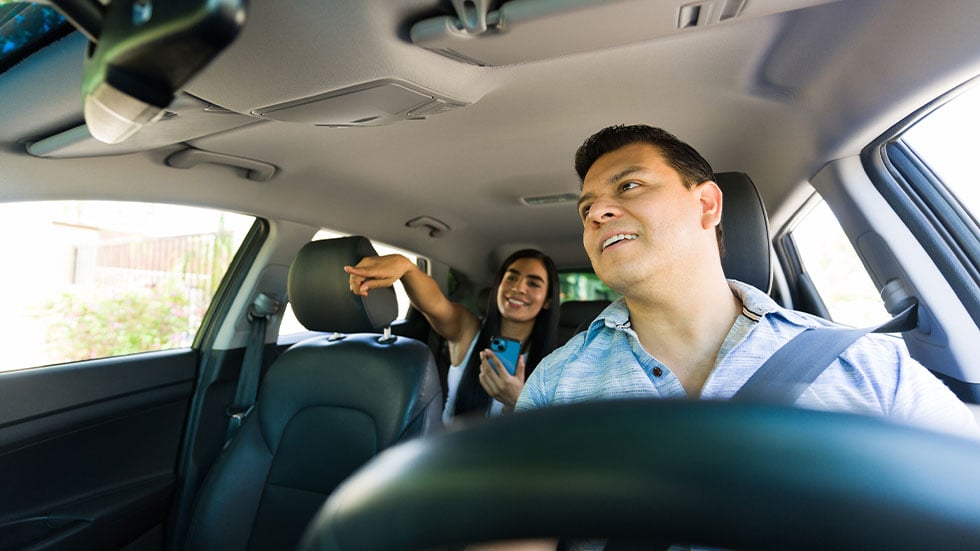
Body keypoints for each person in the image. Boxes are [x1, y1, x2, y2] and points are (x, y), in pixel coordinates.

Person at [516, 124, 980, 439]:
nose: (596, 212)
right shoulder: (555, 384)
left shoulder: (869, 364)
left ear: (706, 206)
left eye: (629, 186)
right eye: (586, 208)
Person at [347, 248, 559, 425]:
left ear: (548, 300)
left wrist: (517, 401)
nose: (517, 288)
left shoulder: (557, 363)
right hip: (449, 456)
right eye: (511, 277)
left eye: (533, 283)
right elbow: (436, 304)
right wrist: (407, 268)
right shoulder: (468, 329)